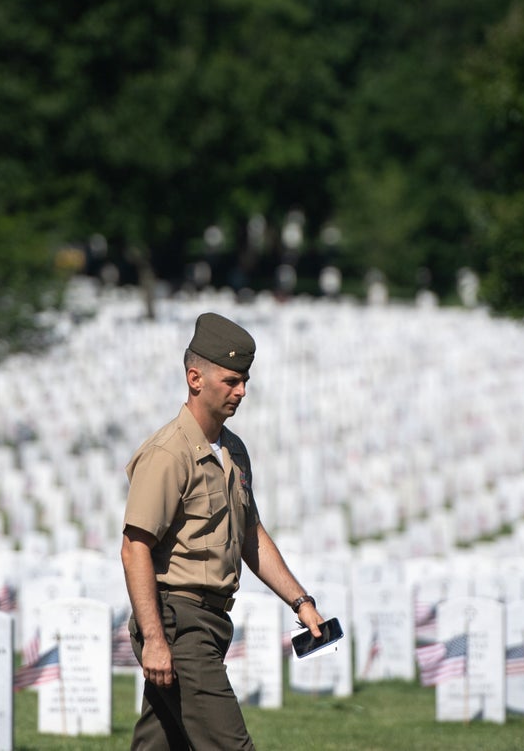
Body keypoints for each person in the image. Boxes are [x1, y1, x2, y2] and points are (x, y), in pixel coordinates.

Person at [121, 312, 327, 750]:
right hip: (179, 624)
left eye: (245, 380)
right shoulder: (168, 453)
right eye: (232, 380)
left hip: (210, 621)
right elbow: (134, 548)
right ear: (195, 378)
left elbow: (251, 535)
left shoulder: (233, 450)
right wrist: (155, 638)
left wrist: (302, 601)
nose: (242, 391)